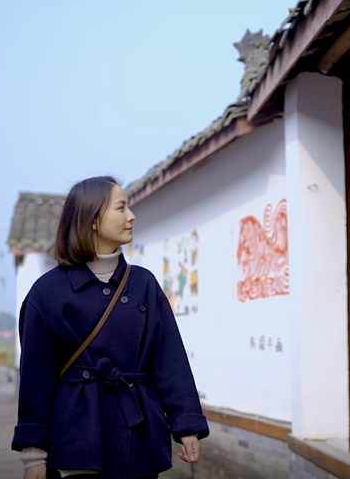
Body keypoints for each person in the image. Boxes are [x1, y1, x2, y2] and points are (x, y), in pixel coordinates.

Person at [11, 176, 209, 479]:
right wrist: (33, 454)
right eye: (121, 208)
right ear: (92, 219)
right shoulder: (47, 293)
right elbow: (35, 379)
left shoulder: (144, 284)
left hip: (138, 431)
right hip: (76, 433)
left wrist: (187, 424)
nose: (131, 216)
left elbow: (169, 360)